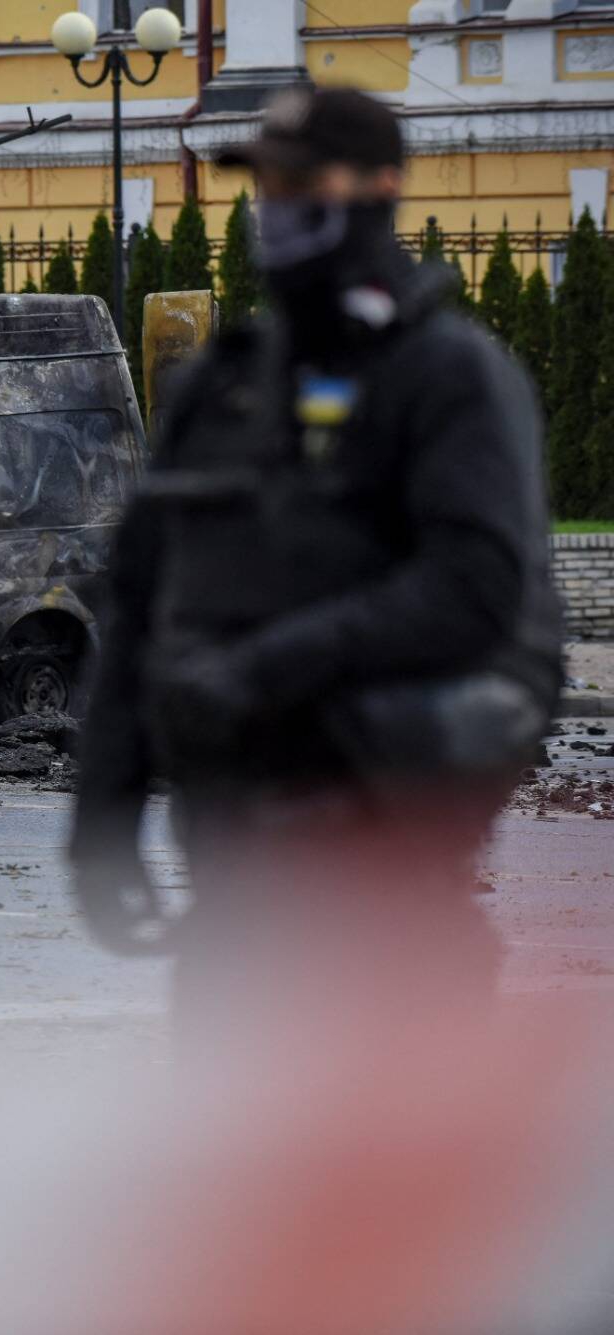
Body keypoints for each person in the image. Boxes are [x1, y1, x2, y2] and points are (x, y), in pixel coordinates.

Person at [69, 87, 562, 1050]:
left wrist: (264, 670)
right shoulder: (226, 382)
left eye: (302, 183)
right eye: (266, 185)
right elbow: (137, 597)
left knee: (396, 1172)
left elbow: (475, 586)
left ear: (380, 188)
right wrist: (105, 805)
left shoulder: (447, 375)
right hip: (231, 897)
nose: (278, 208)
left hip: (386, 887)